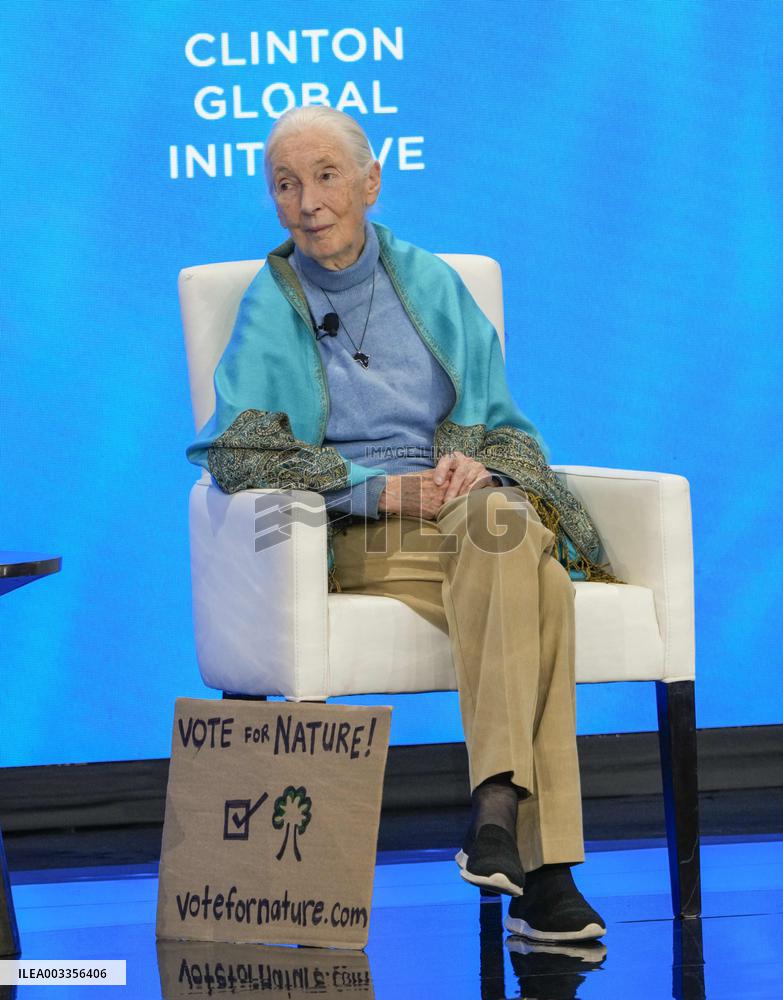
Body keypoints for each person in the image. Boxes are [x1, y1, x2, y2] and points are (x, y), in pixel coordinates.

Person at [187, 106, 618, 943]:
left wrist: (474, 465)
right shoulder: (269, 304)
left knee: (499, 520)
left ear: (369, 183)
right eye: (286, 185)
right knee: (533, 574)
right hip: (351, 531)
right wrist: (376, 492)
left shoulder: (431, 281)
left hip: (461, 513)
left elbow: (501, 424)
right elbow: (237, 448)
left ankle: (499, 817)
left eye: (325, 176)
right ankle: (542, 868)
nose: (308, 202)